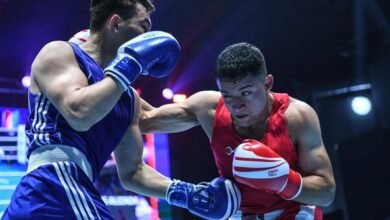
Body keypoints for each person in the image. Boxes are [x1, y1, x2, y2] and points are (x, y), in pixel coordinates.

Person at [2, 1, 240, 219]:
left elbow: (133, 172)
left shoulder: (125, 98)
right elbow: (78, 112)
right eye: (143, 27)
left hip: (63, 193)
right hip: (52, 186)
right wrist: (129, 63)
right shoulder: (61, 53)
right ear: (115, 23)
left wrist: (189, 194)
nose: (148, 38)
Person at [140, 42, 336, 219]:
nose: (237, 105)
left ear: (267, 84)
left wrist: (284, 182)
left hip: (294, 212)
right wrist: (116, 74)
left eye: (246, 93)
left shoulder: (297, 117)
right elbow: (144, 121)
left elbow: (326, 193)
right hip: (241, 215)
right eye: (228, 95)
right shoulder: (209, 109)